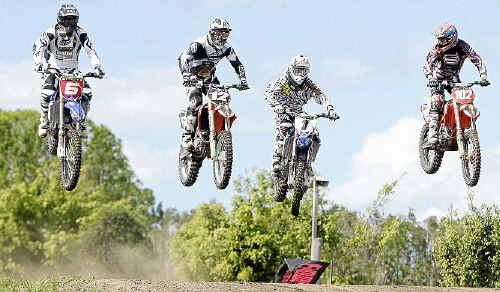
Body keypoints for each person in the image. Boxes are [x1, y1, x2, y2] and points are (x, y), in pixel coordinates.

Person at [177, 18, 249, 154]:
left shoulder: (227, 48)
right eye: (219, 33)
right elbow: (184, 58)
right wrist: (187, 76)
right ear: (211, 32)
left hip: (209, 76)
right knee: (196, 101)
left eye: (225, 33)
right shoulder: (199, 44)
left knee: (222, 99)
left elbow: (237, 63)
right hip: (192, 75)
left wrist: (243, 79)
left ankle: (217, 133)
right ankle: (186, 137)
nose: (222, 36)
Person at [33, 4, 104, 138]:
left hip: (73, 71)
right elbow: (38, 47)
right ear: (60, 19)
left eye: (72, 19)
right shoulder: (50, 32)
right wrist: (38, 63)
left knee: (87, 93)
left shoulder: (81, 33)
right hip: (53, 69)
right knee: (47, 92)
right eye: (66, 19)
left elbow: (91, 51)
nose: (69, 22)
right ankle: (43, 120)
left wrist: (97, 67)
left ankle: (81, 122)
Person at [264, 54, 338, 178]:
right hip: (283, 110)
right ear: (292, 68)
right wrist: (276, 105)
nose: (300, 73)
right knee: (285, 127)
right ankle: (277, 158)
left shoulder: (309, 84)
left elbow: (321, 96)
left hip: (299, 112)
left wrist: (330, 109)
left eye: (303, 70)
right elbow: (269, 92)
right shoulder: (284, 81)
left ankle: (308, 164)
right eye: (298, 69)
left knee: (314, 131)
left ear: (307, 71)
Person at [423, 23, 489, 146]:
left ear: (451, 37)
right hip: (438, 78)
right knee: (437, 100)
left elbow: (476, 58)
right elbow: (427, 64)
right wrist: (431, 77)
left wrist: (483, 75)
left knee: (464, 99)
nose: (440, 41)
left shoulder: (462, 46)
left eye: (443, 39)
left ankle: (457, 127)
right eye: (439, 39)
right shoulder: (436, 49)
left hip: (453, 78)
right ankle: (432, 133)